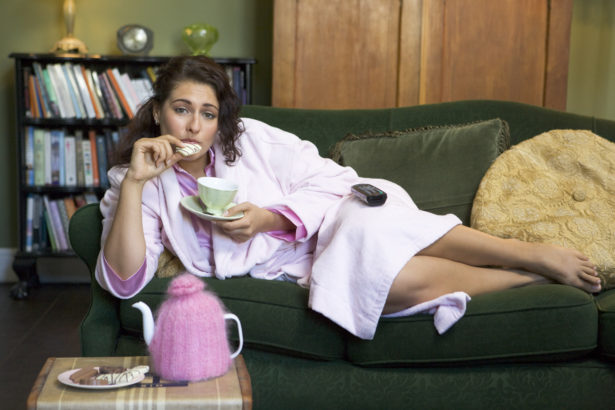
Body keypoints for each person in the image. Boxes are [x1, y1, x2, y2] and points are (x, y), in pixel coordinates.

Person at [96, 56, 601, 340]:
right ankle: (527, 278)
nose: (194, 126)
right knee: (381, 289)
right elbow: (124, 281)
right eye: (182, 110)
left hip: (337, 217)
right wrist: (137, 182)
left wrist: (269, 218)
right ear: (159, 112)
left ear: (219, 120)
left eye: (207, 114)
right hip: (299, 263)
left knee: (370, 228)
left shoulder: (248, 138)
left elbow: (333, 179)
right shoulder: (133, 180)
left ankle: (530, 253)